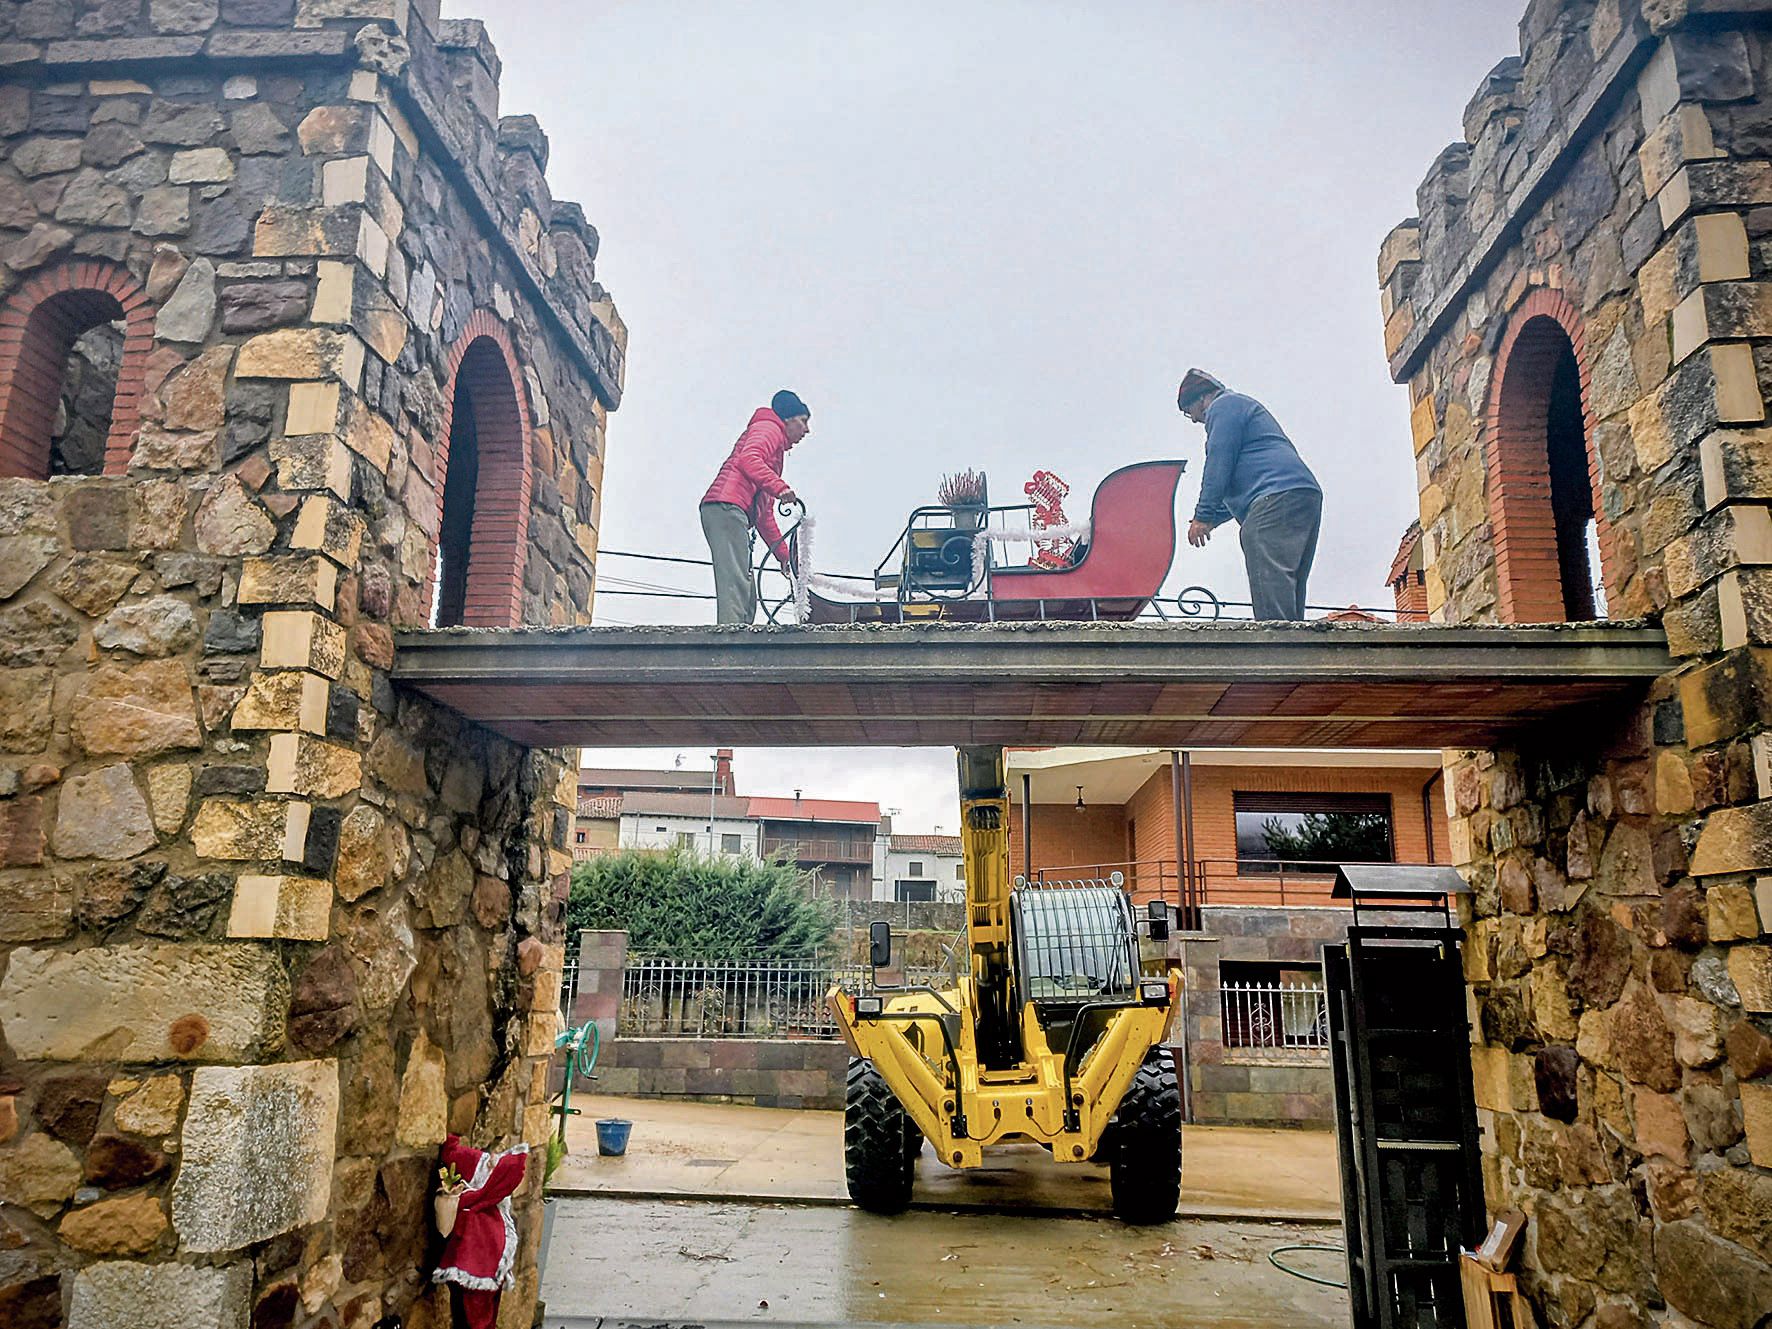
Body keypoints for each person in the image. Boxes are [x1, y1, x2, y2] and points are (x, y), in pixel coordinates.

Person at [1177, 369, 1322, 621]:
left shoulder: (1224, 406)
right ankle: (1295, 643)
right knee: (1286, 581)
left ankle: (1275, 644)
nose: (1194, 420)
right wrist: (1212, 519)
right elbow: (1234, 483)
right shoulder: (1241, 406)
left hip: (1275, 495)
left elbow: (1219, 463)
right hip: (1300, 493)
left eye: (1191, 412)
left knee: (1261, 548)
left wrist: (1203, 515)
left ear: (1202, 399)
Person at [700, 390, 811, 624]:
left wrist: (784, 556)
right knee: (736, 578)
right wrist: (779, 487)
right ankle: (731, 635)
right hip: (726, 506)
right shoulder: (768, 428)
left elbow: (764, 515)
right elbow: (748, 459)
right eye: (803, 421)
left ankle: (740, 631)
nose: (806, 430)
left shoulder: (775, 444)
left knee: (745, 585)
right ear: (789, 419)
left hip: (732, 510)